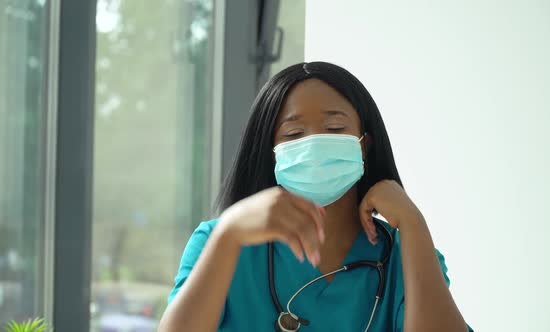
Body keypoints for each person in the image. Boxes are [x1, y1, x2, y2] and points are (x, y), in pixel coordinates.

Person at [158, 62, 473, 332]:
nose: (314, 145)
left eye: (335, 128)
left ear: (364, 144)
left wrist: (413, 222)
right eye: (294, 134)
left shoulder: (407, 254)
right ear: (270, 152)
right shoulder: (220, 242)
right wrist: (229, 233)